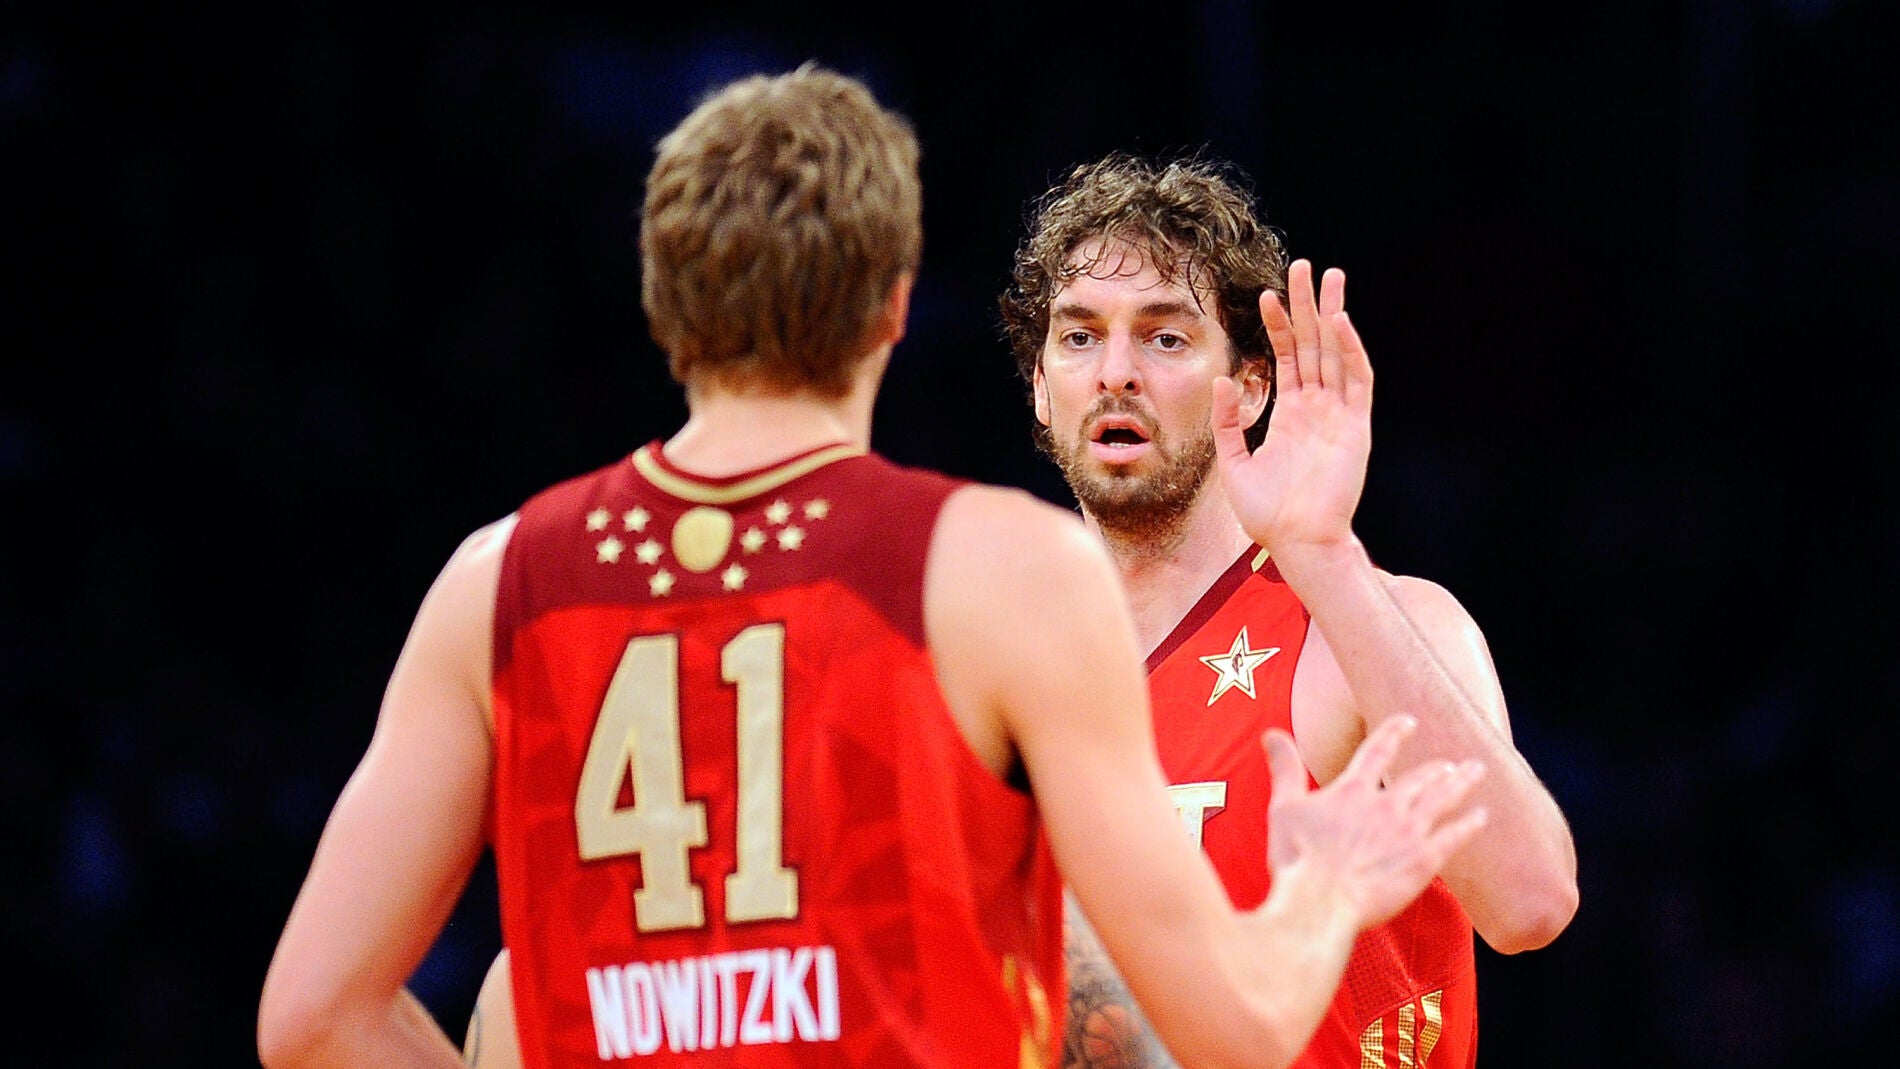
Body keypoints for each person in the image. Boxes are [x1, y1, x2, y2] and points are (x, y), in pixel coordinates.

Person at [255, 64, 1491, 1069]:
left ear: (660, 304)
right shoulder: (976, 566)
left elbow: (312, 1015)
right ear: (896, 310)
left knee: (520, 996)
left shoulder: (499, 577)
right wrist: (1323, 888)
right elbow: (1218, 1028)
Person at [994, 151, 1580, 1068]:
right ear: (1039, 384)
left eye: (1165, 337)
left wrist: (1323, 553)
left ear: (1253, 386)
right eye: (1078, 337)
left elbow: (1531, 899)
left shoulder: (1354, 629)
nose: (1115, 371)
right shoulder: (998, 684)